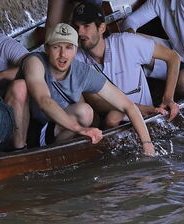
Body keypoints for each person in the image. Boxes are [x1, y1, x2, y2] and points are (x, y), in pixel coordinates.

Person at [10, 23, 155, 155]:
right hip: (21, 126)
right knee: (19, 86)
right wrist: (80, 129)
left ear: (75, 50)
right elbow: (44, 100)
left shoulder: (82, 72)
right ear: (47, 49)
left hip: (49, 132)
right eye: (56, 47)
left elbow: (127, 105)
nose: (62, 54)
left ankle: (52, 153)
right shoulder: (35, 61)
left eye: (68, 47)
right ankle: (19, 152)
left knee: (85, 112)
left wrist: (147, 143)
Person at [69, 2, 181, 126]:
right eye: (77, 27)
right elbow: (96, 102)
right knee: (113, 117)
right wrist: (137, 108)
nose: (79, 32)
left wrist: (168, 98)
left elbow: (173, 57)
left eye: (86, 26)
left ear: (101, 28)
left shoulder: (126, 42)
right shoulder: (75, 59)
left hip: (150, 118)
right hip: (114, 124)